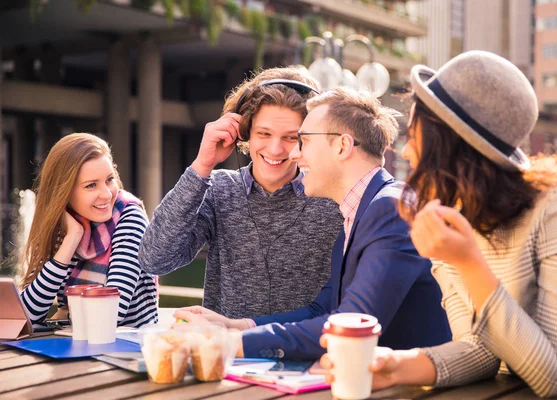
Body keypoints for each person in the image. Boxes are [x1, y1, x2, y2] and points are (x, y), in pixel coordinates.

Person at [320, 51, 557, 397]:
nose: (406, 152)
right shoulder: (453, 216)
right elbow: (482, 349)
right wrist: (394, 366)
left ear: (447, 142)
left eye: (415, 135)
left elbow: (554, 375)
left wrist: (468, 262)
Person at [174, 87, 451, 359]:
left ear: (342, 146)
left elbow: (351, 325)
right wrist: (236, 326)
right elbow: (323, 309)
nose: (294, 154)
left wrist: (228, 342)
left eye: (303, 141)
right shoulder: (360, 211)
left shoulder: (389, 210)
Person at [139, 68, 342, 322]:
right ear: (244, 132)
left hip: (308, 357)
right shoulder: (218, 190)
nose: (276, 149)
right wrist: (202, 165)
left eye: (291, 137)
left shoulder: (333, 200)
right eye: (264, 134)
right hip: (227, 358)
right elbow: (154, 259)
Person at [18, 133, 158, 327]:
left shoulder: (129, 217)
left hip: (125, 349)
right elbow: (25, 316)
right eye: (91, 185)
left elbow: (111, 314)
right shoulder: (65, 225)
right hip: (75, 345)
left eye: (109, 179)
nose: (107, 194)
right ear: (63, 192)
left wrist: (65, 313)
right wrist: (72, 239)